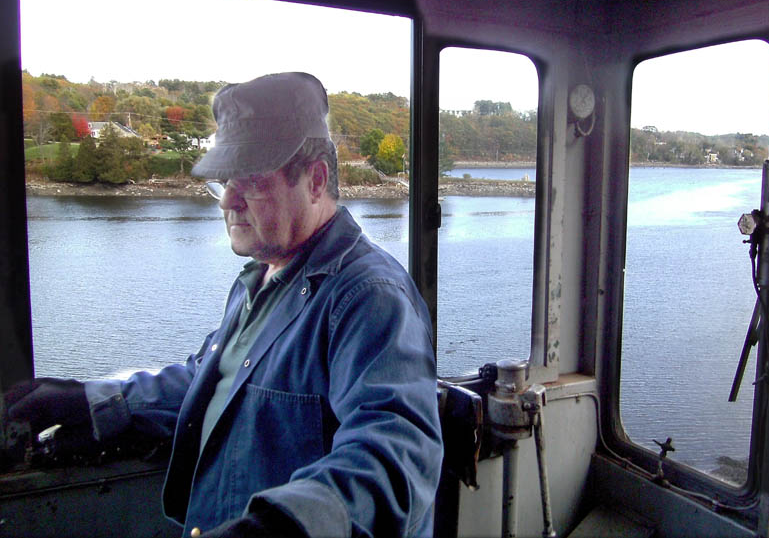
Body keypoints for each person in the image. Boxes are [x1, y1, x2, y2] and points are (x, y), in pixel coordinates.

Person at [6, 72, 443, 538]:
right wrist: (93, 402)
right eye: (223, 183)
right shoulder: (261, 276)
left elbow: (396, 451)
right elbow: (210, 380)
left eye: (250, 182)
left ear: (315, 180)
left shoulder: (368, 297)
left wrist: (281, 527)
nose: (228, 203)